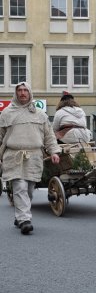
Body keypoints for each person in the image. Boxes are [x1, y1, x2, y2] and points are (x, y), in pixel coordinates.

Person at [0, 82, 61, 235]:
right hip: (13, 155)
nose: (22, 93)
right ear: (15, 93)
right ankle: (24, 220)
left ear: (30, 93)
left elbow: (49, 135)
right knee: (19, 186)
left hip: (34, 156)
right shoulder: (6, 113)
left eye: (25, 90)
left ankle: (19, 216)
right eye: (19, 90)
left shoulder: (40, 114)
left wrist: (54, 151)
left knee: (29, 190)